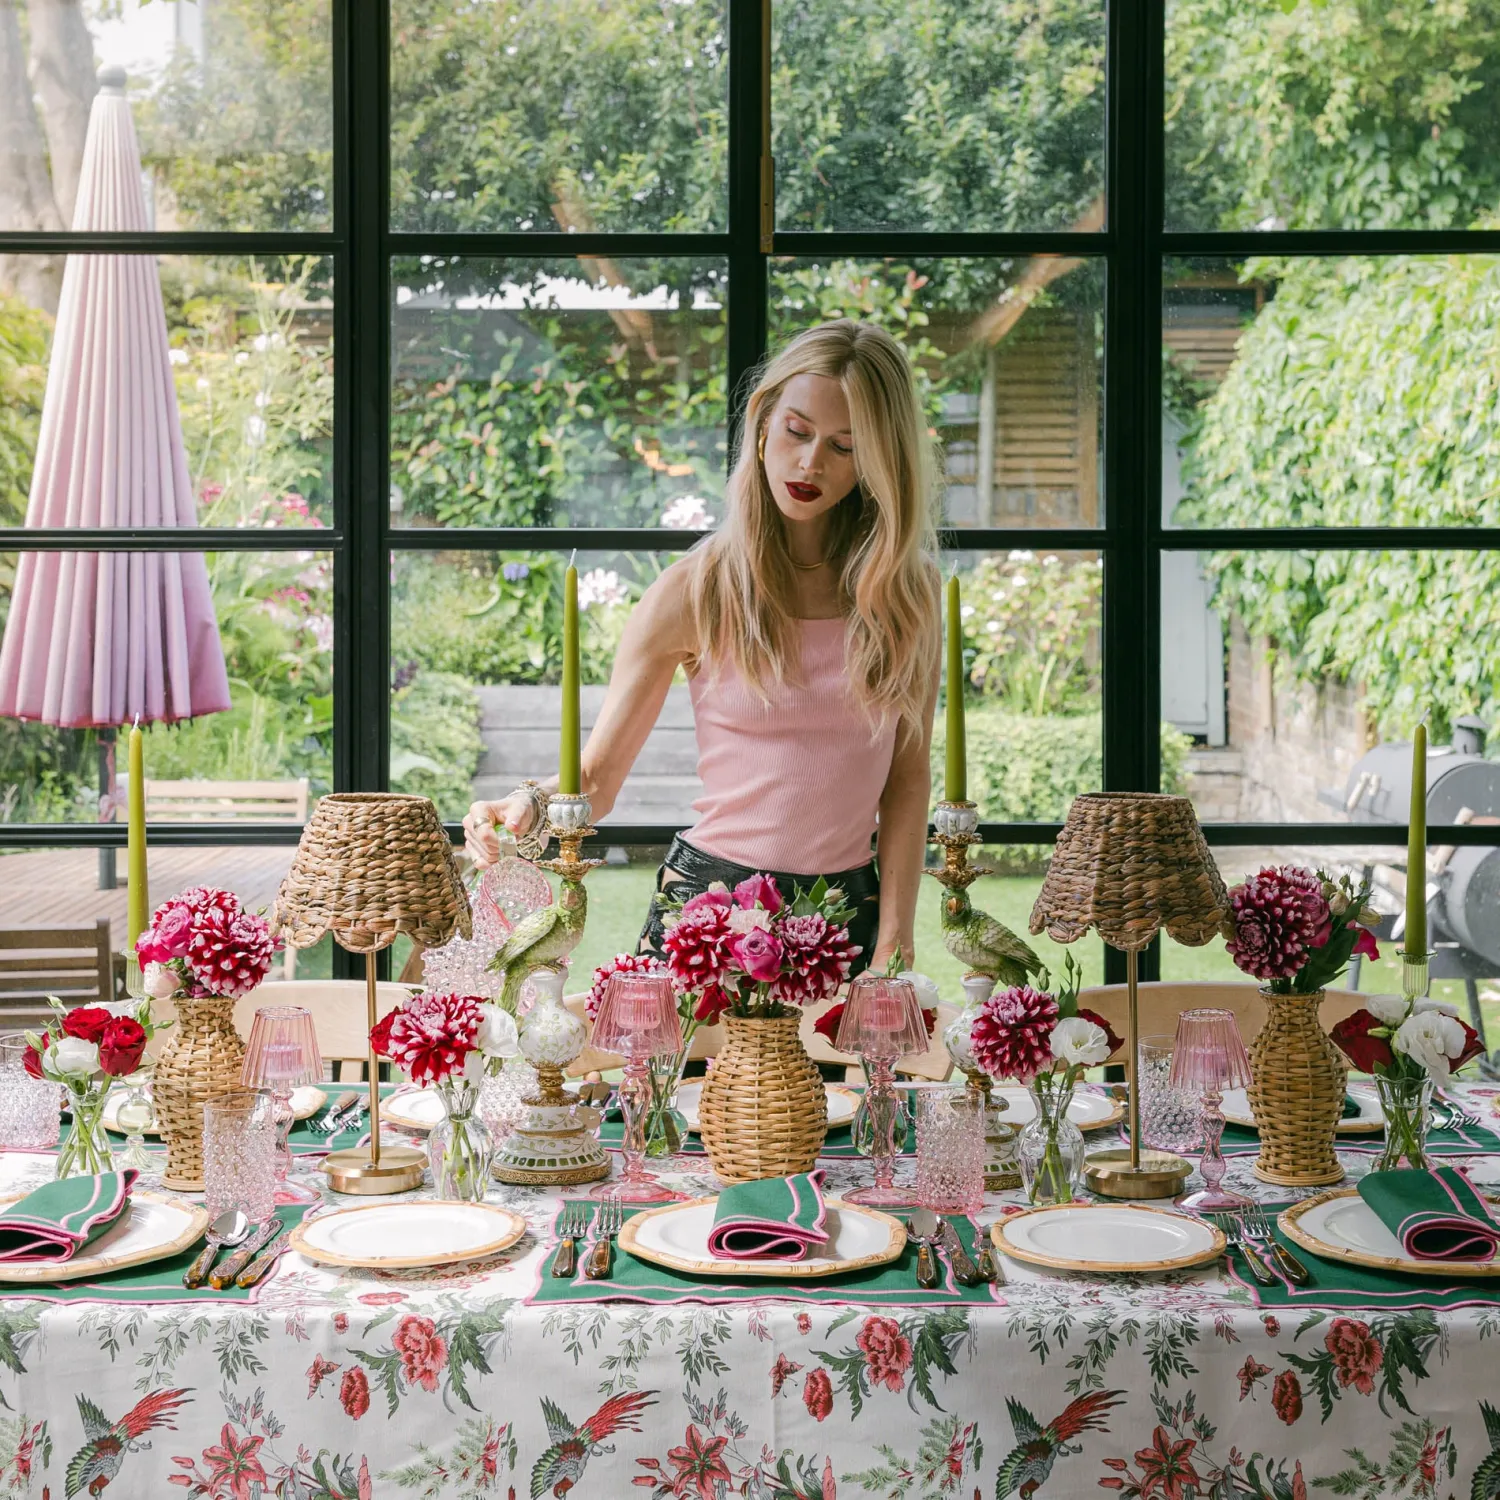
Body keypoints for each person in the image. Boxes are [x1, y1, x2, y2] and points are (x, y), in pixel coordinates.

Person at [464, 318, 941, 974]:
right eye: (798, 432)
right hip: (707, 908)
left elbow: (908, 782)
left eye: (844, 446)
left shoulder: (903, 593)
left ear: (880, 460)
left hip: (843, 911)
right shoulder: (695, 589)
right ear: (764, 420)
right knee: (679, 1084)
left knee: (846, 1085)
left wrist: (897, 932)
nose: (809, 463)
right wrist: (530, 804)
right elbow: (598, 779)